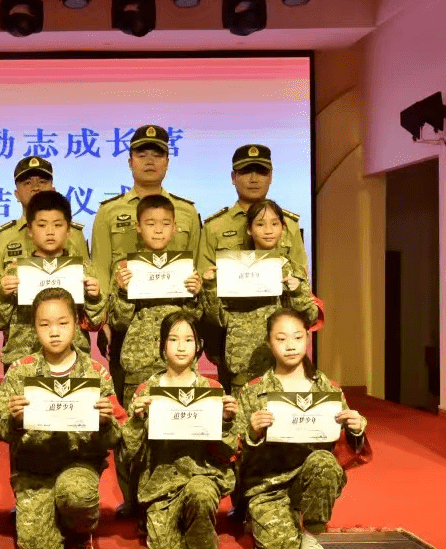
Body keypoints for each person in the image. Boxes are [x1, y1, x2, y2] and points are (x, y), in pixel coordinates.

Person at [91, 126, 201, 520]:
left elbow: (197, 271)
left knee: (178, 415)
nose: (150, 160)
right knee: (131, 421)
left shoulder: (187, 211)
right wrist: (104, 318)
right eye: (142, 154)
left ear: (168, 161)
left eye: (157, 153)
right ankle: (134, 498)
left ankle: (177, 492)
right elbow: (103, 267)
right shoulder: (109, 212)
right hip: (129, 336)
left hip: (178, 339)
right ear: (130, 160)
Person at [0, 287, 126, 549]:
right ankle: (40, 508)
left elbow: (116, 435)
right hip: (33, 470)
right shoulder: (21, 371)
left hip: (78, 466)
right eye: (45, 324)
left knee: (75, 494)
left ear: (76, 324)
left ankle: (80, 530)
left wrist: (104, 422)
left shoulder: (95, 373)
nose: (54, 332)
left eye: (63, 323)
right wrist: (14, 419)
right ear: (34, 327)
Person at [237, 308, 368, 549]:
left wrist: (356, 430)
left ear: (307, 339)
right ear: (269, 343)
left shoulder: (328, 390)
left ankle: (312, 534)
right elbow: (234, 453)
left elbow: (344, 452)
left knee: (324, 462)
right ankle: (267, 517)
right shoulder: (253, 391)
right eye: (281, 339)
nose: (290, 346)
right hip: (268, 484)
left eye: (297, 338)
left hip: (311, 478)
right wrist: (251, 433)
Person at [124, 311, 240, 549]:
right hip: (159, 487)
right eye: (173, 339)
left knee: (200, 491)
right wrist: (136, 419)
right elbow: (128, 452)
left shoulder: (212, 389)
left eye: (188, 339)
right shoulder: (146, 391)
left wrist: (225, 421)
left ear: (198, 345)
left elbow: (229, 450)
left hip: (200, 478)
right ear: (162, 345)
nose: (180, 346)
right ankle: (171, 526)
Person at [197, 144, 308, 391]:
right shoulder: (215, 226)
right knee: (235, 408)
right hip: (231, 334)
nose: (254, 178)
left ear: (271, 176)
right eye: (246, 171)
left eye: (261, 171)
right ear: (233, 177)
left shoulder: (288, 224)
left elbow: (301, 274)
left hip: (281, 333)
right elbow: (205, 283)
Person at [200, 199, 321, 396]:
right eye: (260, 224)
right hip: (242, 361)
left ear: (283, 229)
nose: (268, 230)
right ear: (249, 229)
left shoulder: (293, 271)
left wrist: (297, 291)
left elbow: (311, 316)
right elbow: (218, 319)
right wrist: (211, 287)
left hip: (283, 364)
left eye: (274, 224)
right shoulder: (232, 269)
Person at [0, 191, 105, 368]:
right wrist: (3, 296)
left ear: (69, 230)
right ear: (30, 231)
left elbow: (95, 323)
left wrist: (95, 299)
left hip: (72, 359)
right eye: (42, 225)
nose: (50, 232)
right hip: (23, 361)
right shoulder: (15, 270)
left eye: (57, 225)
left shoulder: (82, 270)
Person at [108, 194, 203, 407]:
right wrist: (123, 293)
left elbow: (195, 318)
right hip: (138, 363)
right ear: (138, 227)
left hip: (179, 363)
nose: (158, 230)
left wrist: (195, 295)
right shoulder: (125, 269)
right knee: (138, 424)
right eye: (150, 224)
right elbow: (118, 322)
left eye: (165, 224)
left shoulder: (186, 268)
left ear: (175, 228)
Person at [0, 156, 89, 312]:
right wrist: (3, 294)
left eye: (42, 182)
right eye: (27, 183)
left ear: (53, 188)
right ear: (16, 194)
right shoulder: (2, 237)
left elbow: (87, 281)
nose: (35, 188)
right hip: (19, 329)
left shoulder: (74, 233)